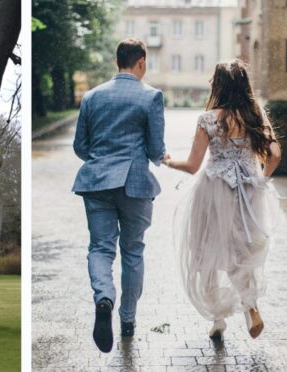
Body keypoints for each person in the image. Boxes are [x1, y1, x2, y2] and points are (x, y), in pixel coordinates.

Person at [163, 59, 281, 340]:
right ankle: (251, 307)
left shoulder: (208, 119)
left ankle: (217, 319)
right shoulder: (255, 115)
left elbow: (193, 165)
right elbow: (275, 155)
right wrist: (261, 179)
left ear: (218, 85)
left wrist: (168, 162)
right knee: (242, 250)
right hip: (249, 191)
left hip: (214, 191)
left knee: (207, 250)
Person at [72, 38, 165, 353]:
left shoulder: (92, 96)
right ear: (141, 62)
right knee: (133, 252)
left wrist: (102, 160)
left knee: (100, 248)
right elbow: (155, 151)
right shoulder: (151, 97)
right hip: (134, 184)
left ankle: (104, 298)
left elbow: (80, 147)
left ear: (117, 62)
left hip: (96, 181)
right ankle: (127, 320)